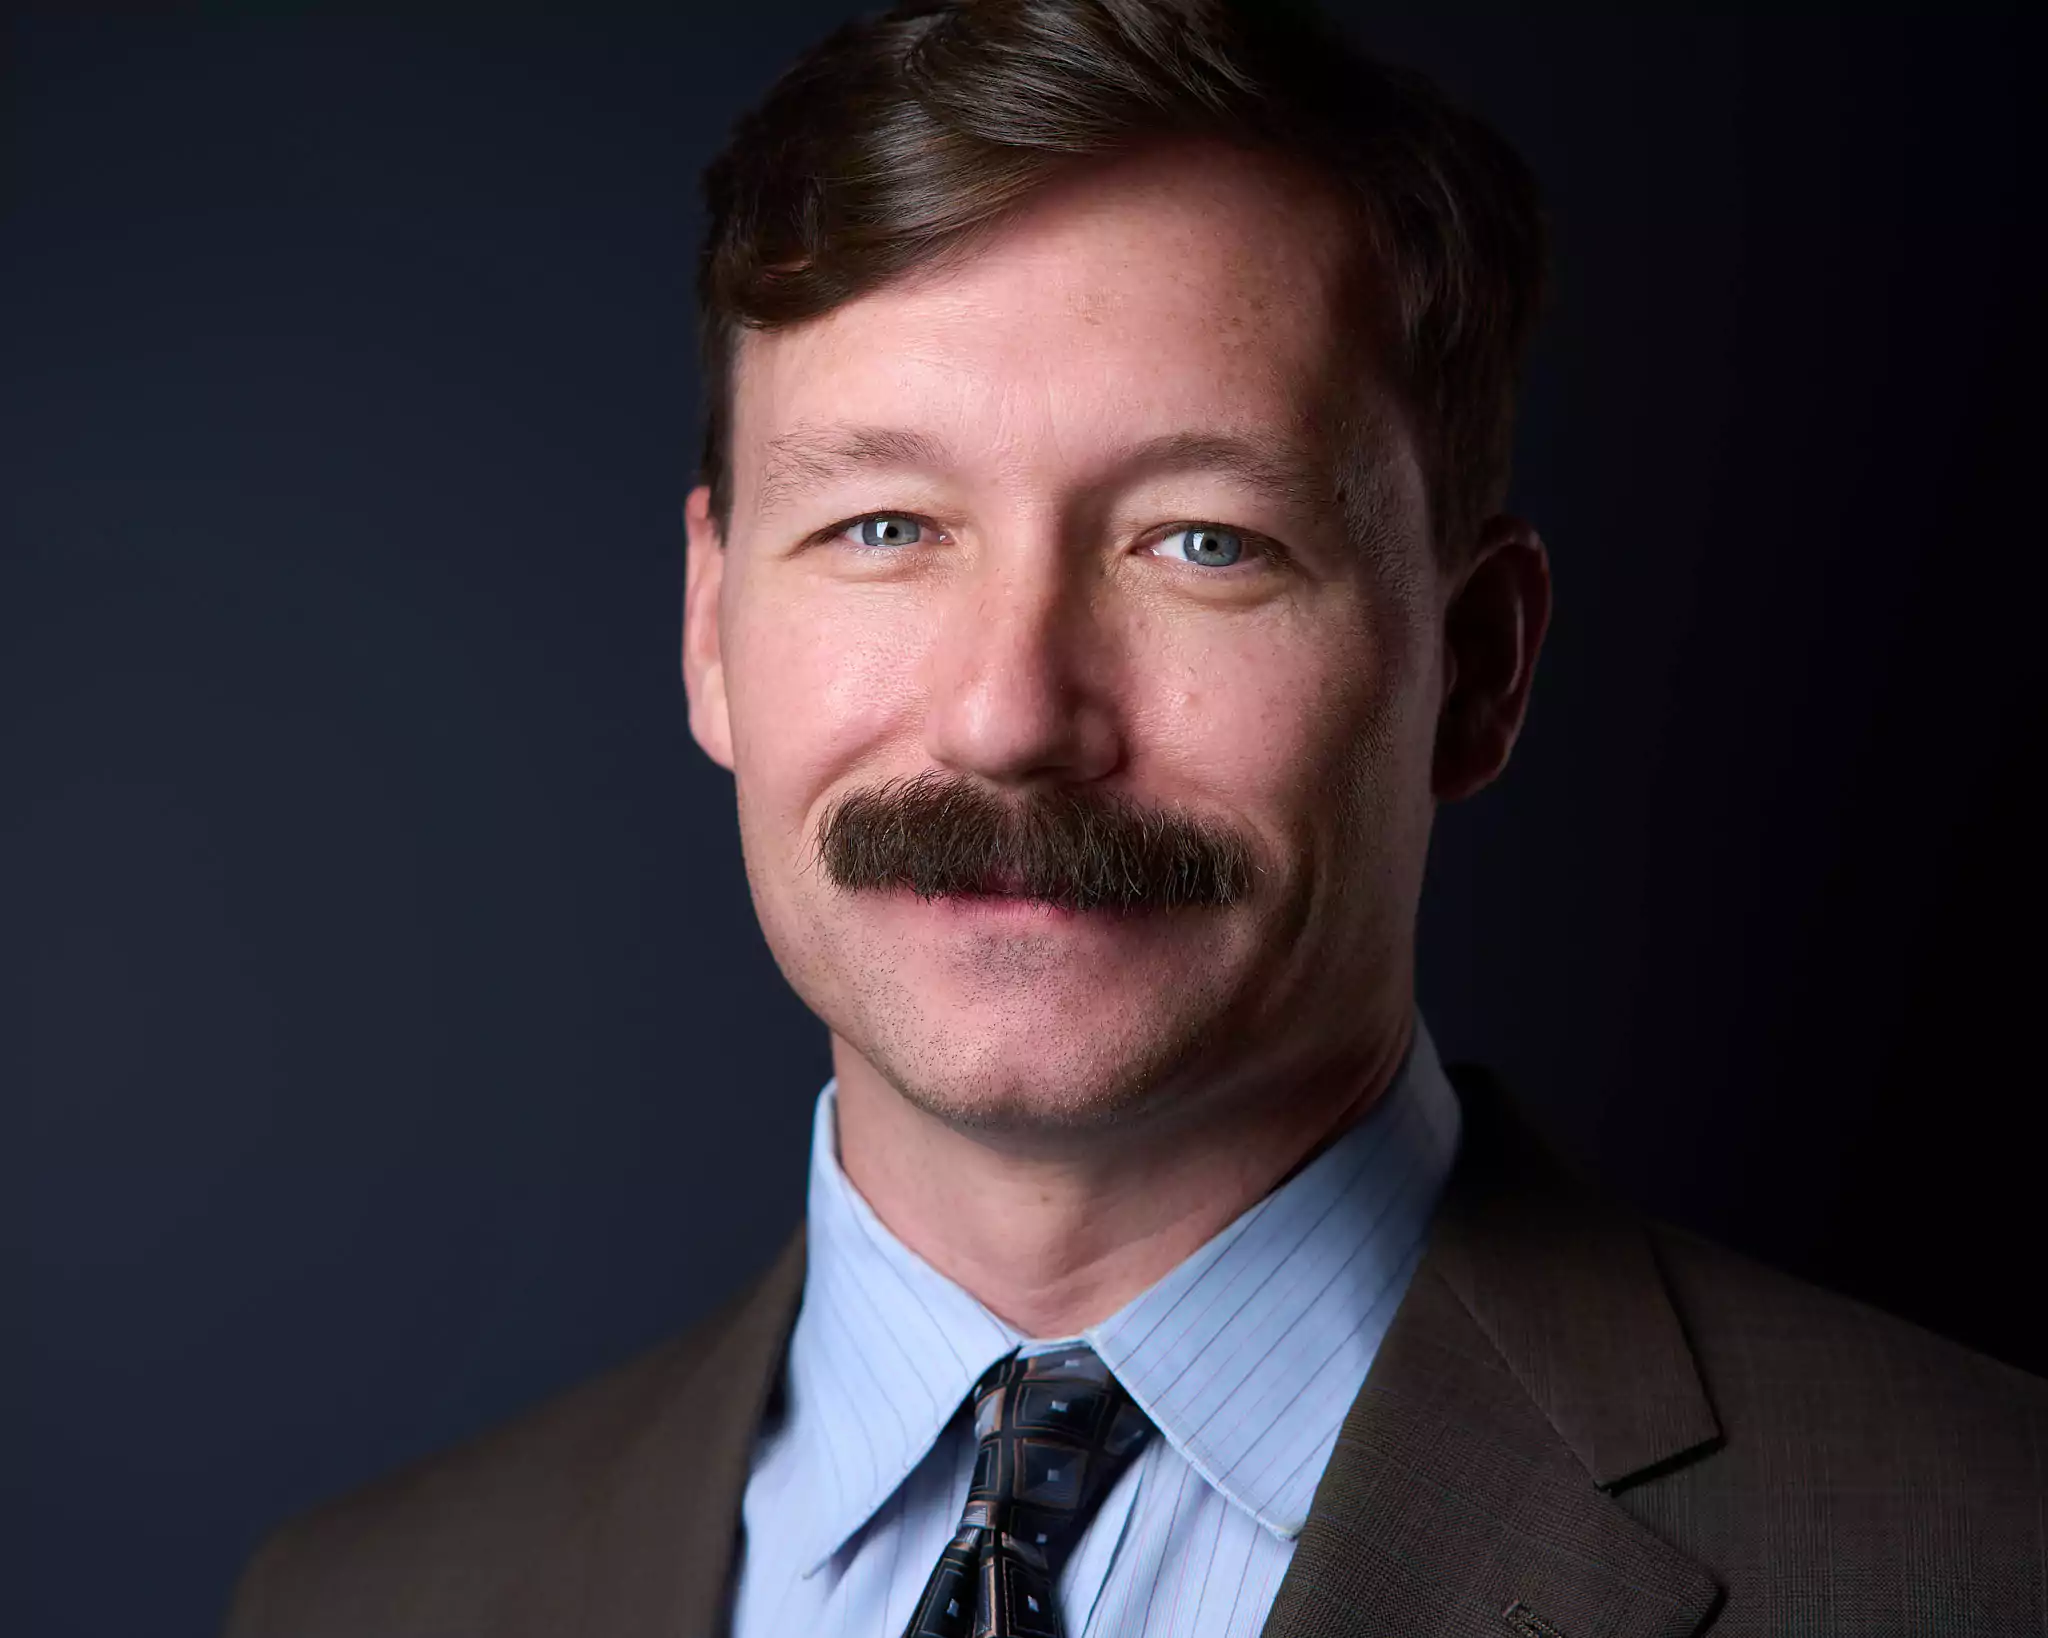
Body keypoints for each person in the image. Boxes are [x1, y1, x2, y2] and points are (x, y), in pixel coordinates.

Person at [222, 2, 2048, 1634]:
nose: (1014, 716)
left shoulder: (1984, 1558)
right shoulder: (363, 1600)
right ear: (711, 630)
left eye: (1203, 542)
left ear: (1478, 666)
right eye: (883, 527)